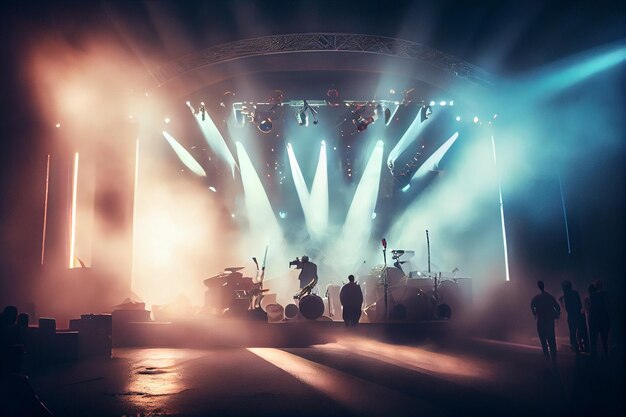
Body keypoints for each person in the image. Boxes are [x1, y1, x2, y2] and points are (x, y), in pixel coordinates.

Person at [531, 281, 561, 366]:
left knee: (543, 341)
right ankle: (554, 358)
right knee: (552, 339)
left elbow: (532, 305)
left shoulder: (536, 298)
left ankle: (547, 358)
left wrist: (535, 314)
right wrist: (556, 315)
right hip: (549, 321)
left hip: (540, 321)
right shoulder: (550, 297)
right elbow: (557, 307)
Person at [559, 280, 589, 353]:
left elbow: (567, 308)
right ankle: (585, 348)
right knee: (582, 333)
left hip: (572, 317)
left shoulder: (566, 295)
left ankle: (576, 348)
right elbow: (579, 305)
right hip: (578, 315)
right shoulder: (574, 293)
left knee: (573, 333)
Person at [586, 280, 610, 357]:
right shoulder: (604, 295)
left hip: (595, 321)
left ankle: (594, 357)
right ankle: (606, 355)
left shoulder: (592, 297)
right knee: (604, 340)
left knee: (593, 340)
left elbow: (589, 309)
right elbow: (607, 307)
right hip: (603, 320)